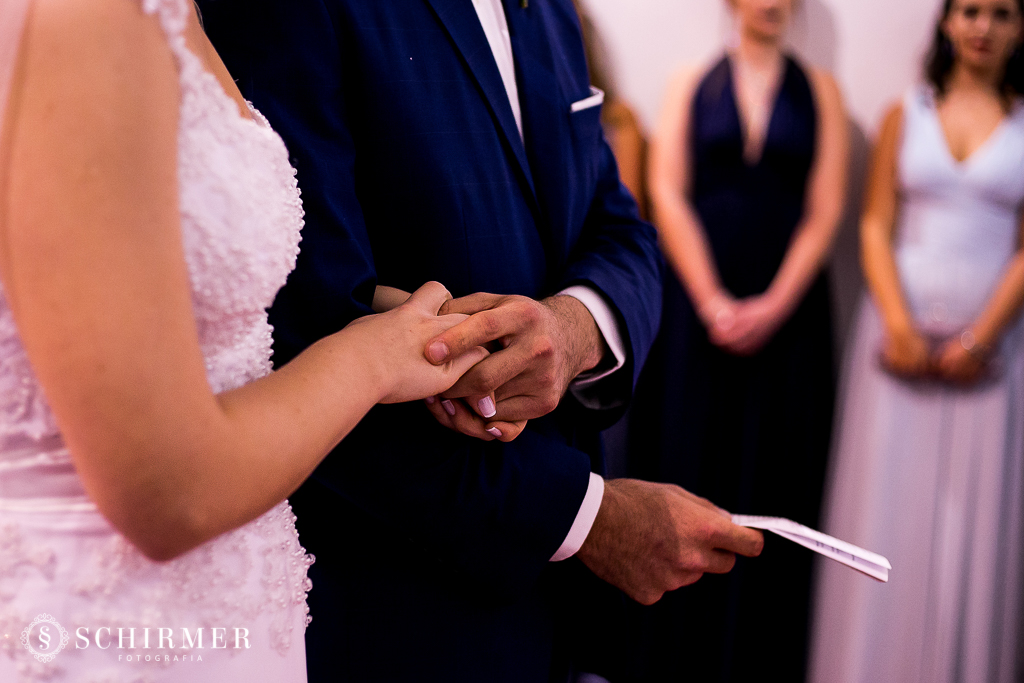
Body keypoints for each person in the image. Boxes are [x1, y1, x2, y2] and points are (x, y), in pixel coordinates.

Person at [194, 1, 764, 681]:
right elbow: (297, 332)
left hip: (551, 612)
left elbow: (620, 228)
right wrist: (583, 517)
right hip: (396, 604)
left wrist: (575, 328)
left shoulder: (551, 10)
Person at [0, 0, 493, 680]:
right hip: (112, 628)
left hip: (238, 608)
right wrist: (371, 360)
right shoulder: (91, 16)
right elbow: (171, 492)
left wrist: (414, 328)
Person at [623, 0, 849, 680]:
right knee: (693, 465)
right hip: (699, 314)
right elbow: (667, 191)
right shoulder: (690, 79)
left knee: (780, 479)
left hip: (791, 322)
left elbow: (827, 206)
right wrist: (713, 301)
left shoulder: (824, 91)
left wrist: (776, 304)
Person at [810, 0, 1024, 680]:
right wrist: (898, 324)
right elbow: (875, 224)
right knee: (885, 510)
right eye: (969, 10)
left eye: (1002, 13)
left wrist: (980, 338)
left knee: (972, 526)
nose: (983, 27)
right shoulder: (908, 110)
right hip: (891, 348)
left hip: (991, 355)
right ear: (946, 23)